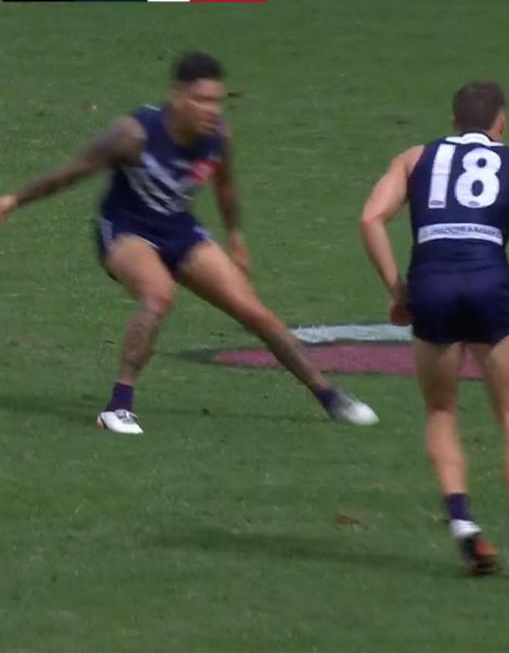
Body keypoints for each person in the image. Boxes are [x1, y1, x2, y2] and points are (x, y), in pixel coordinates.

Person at [0, 52, 377, 434]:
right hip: (127, 230)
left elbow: (225, 186)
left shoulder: (218, 135)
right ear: (177, 97)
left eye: (218, 101)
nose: (212, 110)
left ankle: (330, 397)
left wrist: (236, 238)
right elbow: (71, 172)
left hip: (180, 230)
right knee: (159, 294)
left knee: (254, 312)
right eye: (202, 100)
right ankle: (118, 407)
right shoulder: (132, 135)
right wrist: (13, 201)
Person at [359, 81, 509, 576]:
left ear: (452, 124)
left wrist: (397, 291)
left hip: (431, 283)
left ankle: (464, 524)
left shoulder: (413, 159)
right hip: (492, 285)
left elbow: (370, 218)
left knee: (442, 411)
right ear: (502, 124)